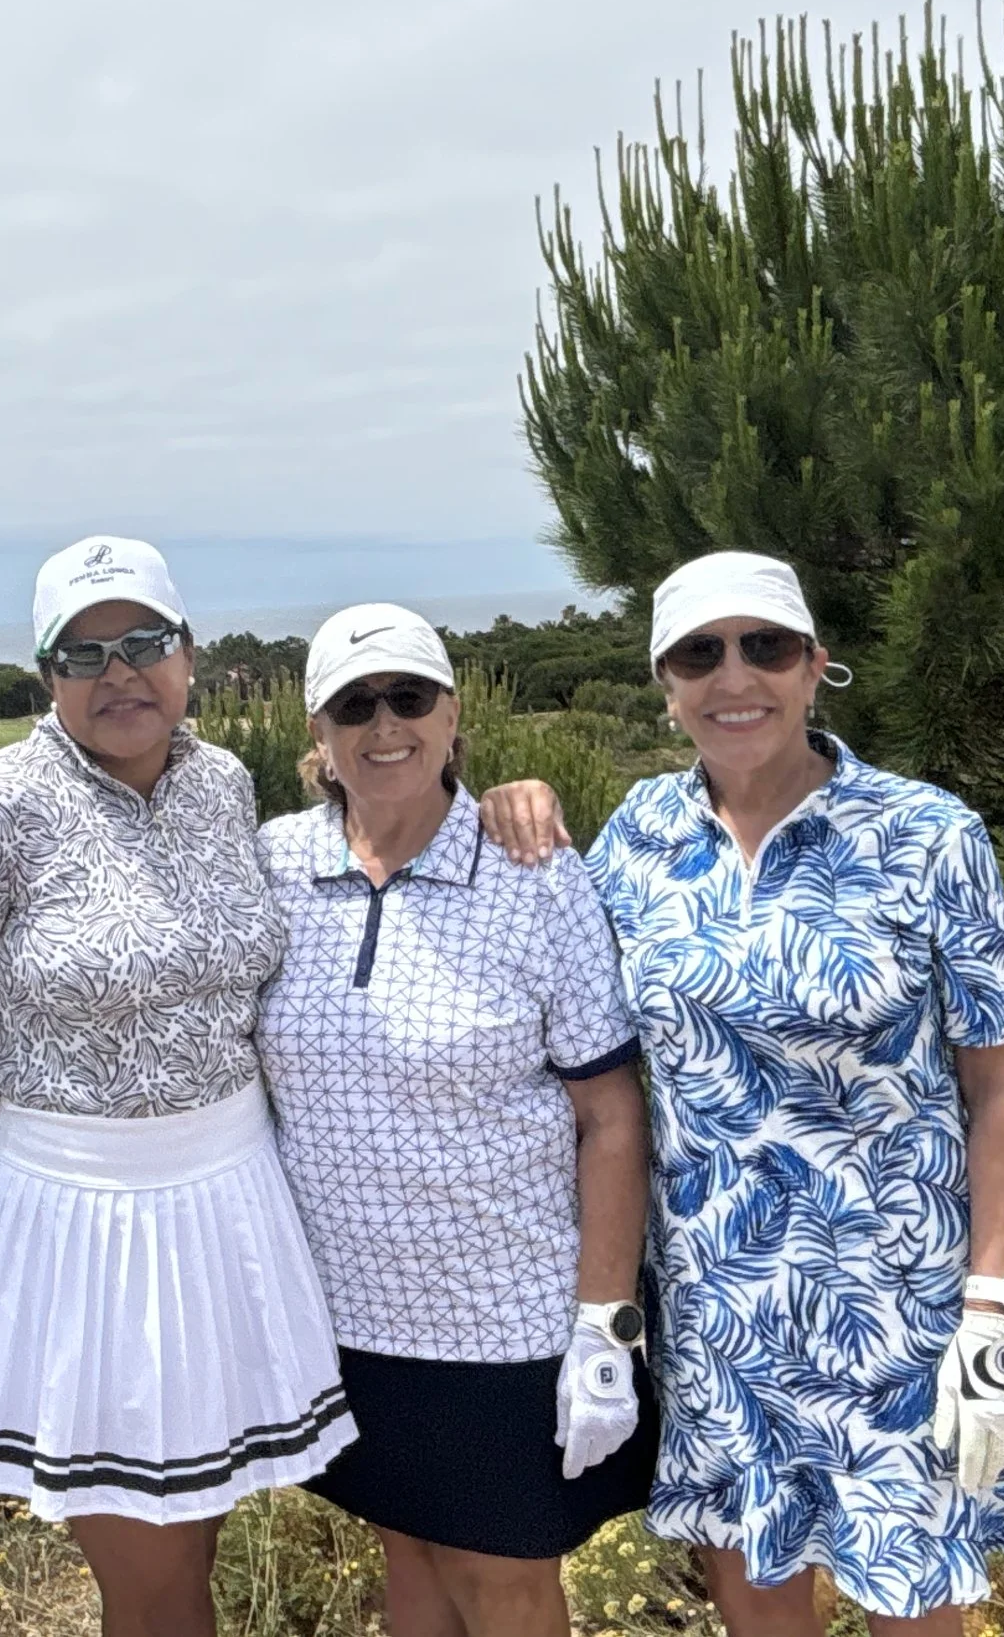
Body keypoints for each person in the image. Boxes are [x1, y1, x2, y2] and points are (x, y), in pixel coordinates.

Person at [478, 552, 1004, 1637]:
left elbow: (1001, 1090)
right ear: (664, 683)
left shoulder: (928, 836)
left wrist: (993, 1307)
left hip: (900, 1310)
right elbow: (562, 1024)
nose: (732, 675)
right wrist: (517, 799)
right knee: (757, 1611)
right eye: (698, 653)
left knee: (915, 1611)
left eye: (765, 647)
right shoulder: (636, 842)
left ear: (814, 667)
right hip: (718, 1306)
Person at [0, 536, 354, 1637]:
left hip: (227, 1201)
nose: (120, 673)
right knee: (152, 1580)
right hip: (80, 1225)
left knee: (189, 1550)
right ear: (46, 676)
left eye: (145, 642)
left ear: (189, 654)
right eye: (84, 653)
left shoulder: (223, 784)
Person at [254, 604, 658, 1637]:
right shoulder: (272, 868)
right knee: (412, 1560)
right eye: (354, 704)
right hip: (341, 1314)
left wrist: (603, 1325)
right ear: (318, 733)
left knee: (503, 1580)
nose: (383, 724)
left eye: (408, 697)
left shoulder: (531, 874)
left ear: (451, 712)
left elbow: (609, 1115)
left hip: (500, 1318)